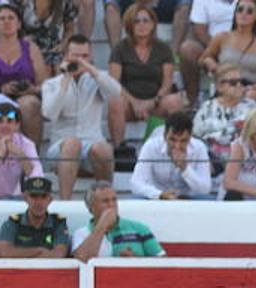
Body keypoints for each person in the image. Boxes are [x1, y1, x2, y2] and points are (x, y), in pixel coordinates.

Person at [41, 34, 120, 201]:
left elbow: (116, 92)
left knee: (103, 148)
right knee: (72, 143)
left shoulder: (97, 78)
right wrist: (65, 80)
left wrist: (90, 70)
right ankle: (65, 203)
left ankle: (106, 199)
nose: (80, 60)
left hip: (92, 147)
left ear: (90, 57)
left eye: (84, 56)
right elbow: (49, 113)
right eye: (76, 56)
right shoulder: (52, 84)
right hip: (60, 148)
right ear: (66, 56)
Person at [108, 3, 186, 146]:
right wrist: (135, 103)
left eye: (146, 20)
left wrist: (150, 103)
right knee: (115, 102)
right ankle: (119, 149)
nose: (141, 24)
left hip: (156, 102)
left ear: (153, 24)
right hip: (129, 103)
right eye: (136, 21)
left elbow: (167, 83)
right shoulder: (120, 48)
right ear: (129, 25)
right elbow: (114, 83)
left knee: (175, 101)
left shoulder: (163, 48)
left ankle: (173, 147)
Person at [0, 3, 50, 143]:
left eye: (11, 18)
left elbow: (44, 83)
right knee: (2, 109)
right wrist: (0, 89)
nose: (7, 22)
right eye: (2, 19)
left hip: (25, 96)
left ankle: (32, 157)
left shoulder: (31, 48)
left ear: (19, 24)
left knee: (29, 105)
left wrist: (31, 89)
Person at [181, 0, 256, 104]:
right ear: (235, 13)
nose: (244, 13)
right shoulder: (222, 37)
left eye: (249, 11)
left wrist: (249, 89)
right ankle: (192, 102)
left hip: (250, 88)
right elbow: (203, 59)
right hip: (226, 87)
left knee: (251, 99)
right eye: (240, 10)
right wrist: (210, 63)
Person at [71, 181, 166, 259]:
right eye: (105, 201)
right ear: (91, 208)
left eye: (114, 200)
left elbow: (163, 261)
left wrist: (136, 260)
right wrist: (102, 225)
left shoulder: (139, 229)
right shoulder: (82, 233)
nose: (111, 205)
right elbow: (82, 259)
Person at [130, 109, 212, 198]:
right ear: (165, 136)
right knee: (137, 198)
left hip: (188, 199)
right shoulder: (151, 146)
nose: (177, 146)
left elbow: (205, 189)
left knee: (207, 199)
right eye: (173, 140)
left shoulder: (199, 148)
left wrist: (185, 168)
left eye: (183, 141)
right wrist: (159, 194)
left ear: (190, 137)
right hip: (157, 197)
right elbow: (136, 183)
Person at [193, 62, 256, 168]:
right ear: (220, 87)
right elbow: (196, 133)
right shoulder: (208, 107)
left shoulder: (251, 106)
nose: (239, 85)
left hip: (243, 163)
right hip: (211, 163)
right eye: (233, 83)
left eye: (241, 82)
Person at [0, 101, 42, 199]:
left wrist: (20, 154)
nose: (4, 126)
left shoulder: (26, 144)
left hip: (12, 199)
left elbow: (38, 179)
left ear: (17, 125)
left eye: (9, 121)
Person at [0, 174, 68, 257]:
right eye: (34, 196)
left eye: (44, 196)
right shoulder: (12, 223)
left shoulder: (58, 223)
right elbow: (4, 253)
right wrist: (39, 251)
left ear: (50, 199)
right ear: (25, 198)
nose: (39, 202)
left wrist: (21, 254)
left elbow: (59, 254)